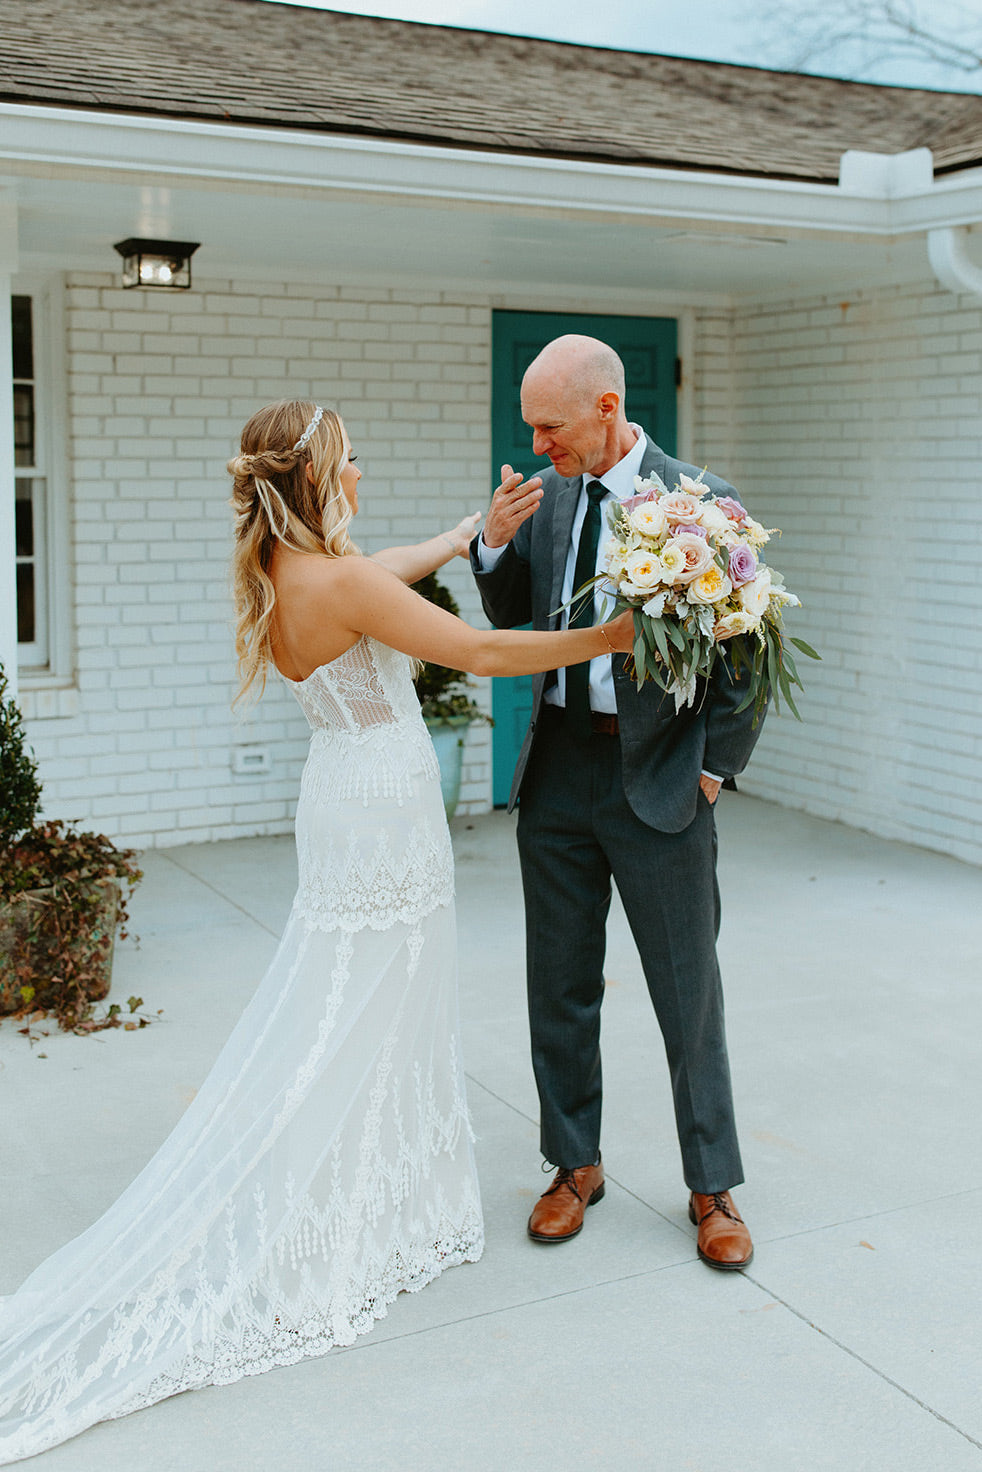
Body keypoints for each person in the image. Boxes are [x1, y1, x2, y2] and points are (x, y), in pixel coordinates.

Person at [0, 399, 636, 1464]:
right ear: (316, 476)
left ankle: (366, 1189)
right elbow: (476, 646)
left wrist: (473, 529)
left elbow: (389, 563)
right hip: (383, 818)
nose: (360, 469)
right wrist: (606, 636)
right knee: (363, 1010)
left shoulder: (294, 571)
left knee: (356, 1001)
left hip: (341, 801)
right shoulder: (336, 579)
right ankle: (335, 1210)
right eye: (350, 459)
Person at [471, 336, 766, 1268]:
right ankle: (572, 1165)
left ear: (605, 408)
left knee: (689, 994)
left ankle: (711, 1187)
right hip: (556, 769)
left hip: (663, 782)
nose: (536, 442)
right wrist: (493, 542)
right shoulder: (549, 497)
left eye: (548, 425)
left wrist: (714, 769)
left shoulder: (698, 504)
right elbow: (509, 612)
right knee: (557, 981)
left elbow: (747, 656)